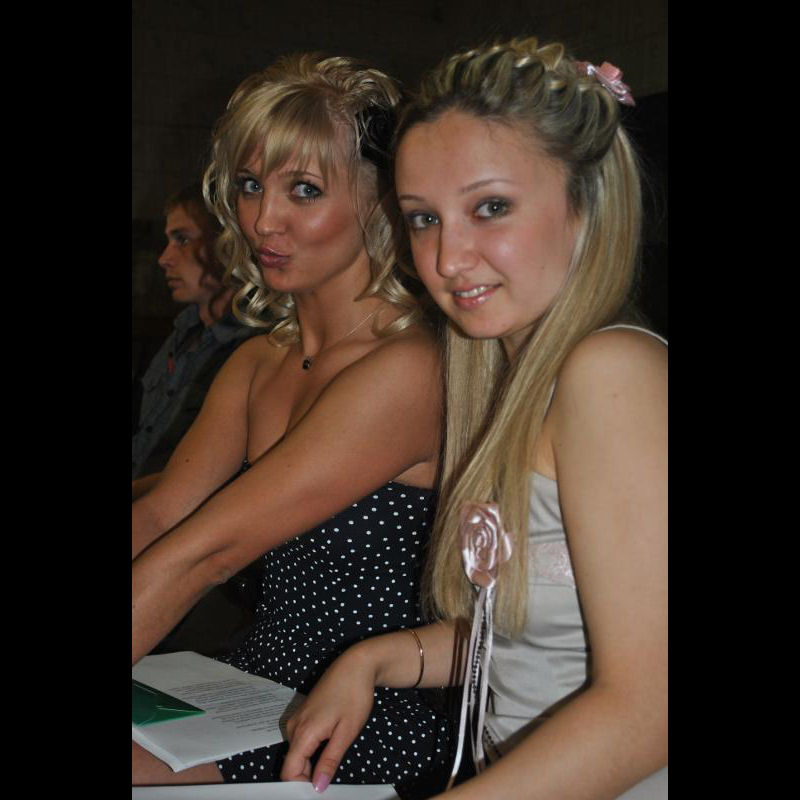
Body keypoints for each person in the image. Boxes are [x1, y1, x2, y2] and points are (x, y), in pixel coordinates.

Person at [280, 37, 668, 799]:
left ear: (587, 206)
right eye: (423, 219)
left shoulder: (612, 372)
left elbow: (649, 708)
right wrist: (376, 659)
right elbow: (535, 636)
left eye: (490, 208)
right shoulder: (513, 382)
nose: (448, 258)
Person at [132, 53, 454, 793]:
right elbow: (160, 518)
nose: (262, 220)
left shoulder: (409, 369)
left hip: (371, 710)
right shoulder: (257, 361)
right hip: (249, 685)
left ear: (380, 201)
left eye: (304, 190)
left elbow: (208, 553)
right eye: (250, 185)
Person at [132, 183, 261, 487]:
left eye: (182, 239)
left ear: (227, 242)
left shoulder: (254, 345)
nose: (164, 258)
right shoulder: (184, 329)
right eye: (169, 240)